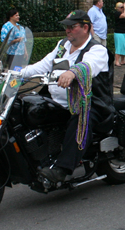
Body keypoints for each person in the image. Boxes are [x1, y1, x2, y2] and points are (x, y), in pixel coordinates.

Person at [21, 10, 112, 182]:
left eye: (72, 26)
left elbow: (88, 65)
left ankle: (62, 169)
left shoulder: (97, 49)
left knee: (81, 119)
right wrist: (17, 73)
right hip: (58, 101)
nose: (68, 30)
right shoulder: (62, 45)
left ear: (85, 28)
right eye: (66, 27)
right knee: (27, 108)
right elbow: (43, 65)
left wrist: (72, 72)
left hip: (90, 102)